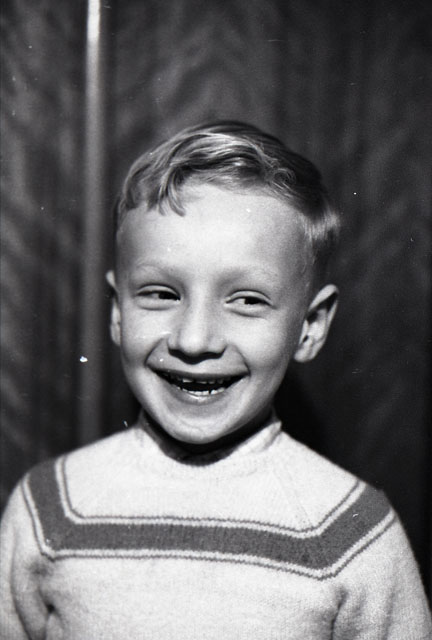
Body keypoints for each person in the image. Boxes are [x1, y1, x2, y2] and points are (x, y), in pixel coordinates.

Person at [1, 121, 430, 639]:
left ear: (310, 327)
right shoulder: (49, 508)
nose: (194, 339)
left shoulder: (350, 532)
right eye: (161, 294)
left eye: (247, 300)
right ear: (117, 312)